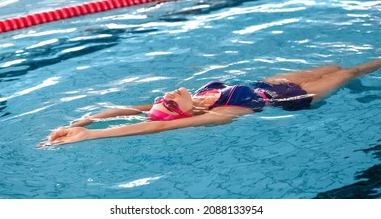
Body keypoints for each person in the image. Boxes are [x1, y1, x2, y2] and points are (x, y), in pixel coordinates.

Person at [37, 59, 381, 147]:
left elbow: (129, 110)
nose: (167, 96)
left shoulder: (194, 99)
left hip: (269, 85)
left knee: (332, 67)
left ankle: (356, 85)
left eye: (163, 99)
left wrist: (86, 121)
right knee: (349, 70)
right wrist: (92, 138)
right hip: (295, 99)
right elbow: (152, 124)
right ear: (187, 115)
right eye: (171, 104)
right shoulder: (218, 116)